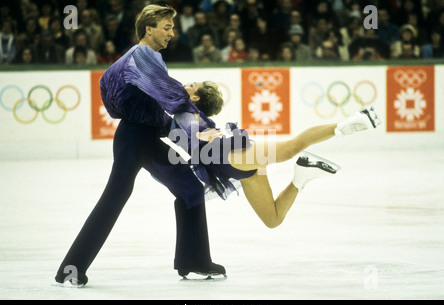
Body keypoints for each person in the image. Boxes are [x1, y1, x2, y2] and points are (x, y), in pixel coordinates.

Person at [54, 4, 225, 287]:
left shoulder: (154, 58)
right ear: (149, 28)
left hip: (147, 137)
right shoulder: (143, 54)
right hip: (133, 139)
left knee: (190, 188)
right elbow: (171, 95)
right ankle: (69, 270)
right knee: (114, 198)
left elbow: (161, 114)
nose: (172, 33)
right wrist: (202, 128)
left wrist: (195, 137)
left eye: (172, 27)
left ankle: (194, 260)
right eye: (167, 27)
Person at [169, 82, 381, 228]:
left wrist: (198, 135)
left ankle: (348, 125)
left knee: (291, 147)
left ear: (195, 97)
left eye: (191, 84)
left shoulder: (185, 111)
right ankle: (301, 176)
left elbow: (188, 131)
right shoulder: (185, 111)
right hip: (225, 165)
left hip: (228, 154)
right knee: (273, 220)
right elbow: (188, 132)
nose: (185, 84)